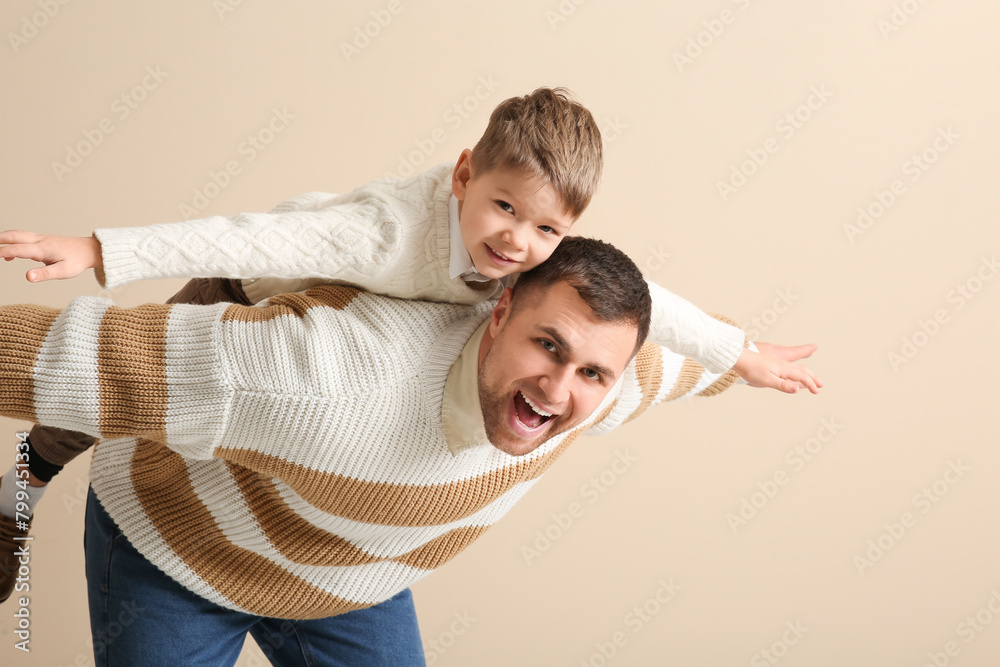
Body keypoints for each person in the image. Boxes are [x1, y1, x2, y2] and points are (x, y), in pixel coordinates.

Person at [0, 87, 792, 604]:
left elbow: (653, 307)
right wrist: (100, 250)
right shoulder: (385, 234)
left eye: (546, 227)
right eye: (504, 208)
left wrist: (741, 354)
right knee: (112, 390)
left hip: (325, 558)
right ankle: (24, 483)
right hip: (252, 286)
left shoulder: (538, 263)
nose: (517, 242)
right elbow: (244, 237)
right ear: (463, 174)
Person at [0, 236, 820, 665]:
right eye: (547, 345)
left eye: (591, 372)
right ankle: (22, 486)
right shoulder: (328, 379)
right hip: (176, 546)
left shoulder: (605, 383)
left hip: (347, 577)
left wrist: (742, 357)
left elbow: (684, 362)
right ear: (499, 313)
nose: (558, 387)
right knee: (131, 385)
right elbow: (72, 358)